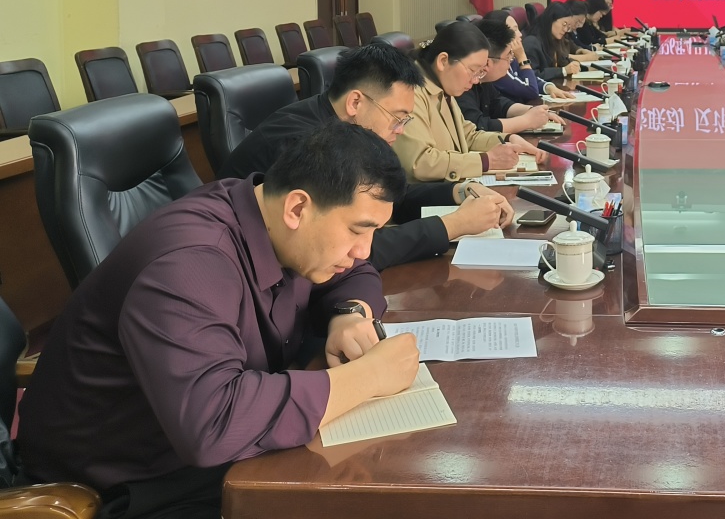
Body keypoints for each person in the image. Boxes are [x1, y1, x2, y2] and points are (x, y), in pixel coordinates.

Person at [20, 124, 423, 518]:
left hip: (214, 448)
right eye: (357, 230)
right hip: (131, 484)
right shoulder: (190, 265)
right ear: (297, 208)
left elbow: (356, 273)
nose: (363, 250)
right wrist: (370, 376)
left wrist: (349, 315)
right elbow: (212, 424)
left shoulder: (271, 218)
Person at [219, 43, 511, 270]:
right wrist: (454, 225)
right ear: (356, 102)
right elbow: (347, 251)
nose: (400, 130)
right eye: (397, 117)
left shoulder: (343, 132)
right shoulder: (305, 145)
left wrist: (460, 191)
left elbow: (383, 199)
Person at [393, 21, 542, 182]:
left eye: (480, 72)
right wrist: (487, 161)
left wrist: (508, 139)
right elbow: (421, 162)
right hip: (427, 194)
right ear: (443, 61)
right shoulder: (411, 92)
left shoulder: (443, 86)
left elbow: (468, 135)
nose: (476, 80)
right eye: (473, 70)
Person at [458, 18, 560, 134]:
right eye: (508, 56)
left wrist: (534, 111)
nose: (511, 60)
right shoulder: (462, 85)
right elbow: (477, 127)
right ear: (487, 62)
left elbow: (498, 104)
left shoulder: (485, 80)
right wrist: (526, 121)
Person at [483, 9, 576, 104]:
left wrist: (549, 87)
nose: (520, 34)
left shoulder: (511, 56)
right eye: (514, 30)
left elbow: (532, 78)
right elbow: (531, 90)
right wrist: (522, 57)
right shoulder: (497, 66)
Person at [523, 1, 586, 82]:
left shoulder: (553, 39)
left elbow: (562, 60)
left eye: (568, 26)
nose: (565, 29)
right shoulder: (531, 43)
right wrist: (563, 71)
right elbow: (532, 75)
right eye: (564, 24)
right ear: (551, 20)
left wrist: (574, 64)